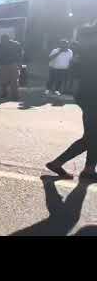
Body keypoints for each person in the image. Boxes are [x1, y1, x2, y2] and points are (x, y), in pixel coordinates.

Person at [45, 24, 97, 181]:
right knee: (91, 137)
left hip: (84, 96)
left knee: (93, 136)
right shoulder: (89, 52)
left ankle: (89, 169)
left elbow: (74, 74)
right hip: (92, 97)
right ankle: (58, 163)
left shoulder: (79, 53)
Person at [0, 34, 22, 100]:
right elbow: (20, 53)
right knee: (14, 81)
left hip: (4, 65)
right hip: (12, 64)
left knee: (4, 80)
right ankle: (15, 95)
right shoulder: (15, 44)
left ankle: (5, 93)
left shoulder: (0, 46)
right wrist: (19, 62)